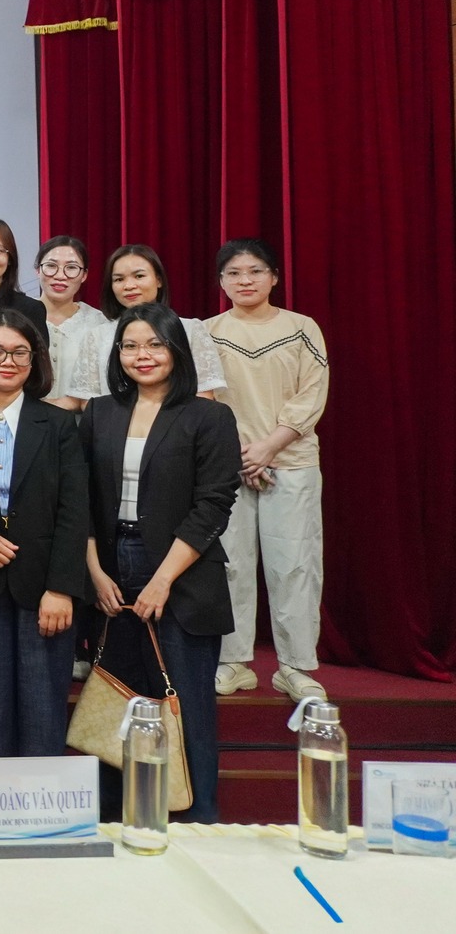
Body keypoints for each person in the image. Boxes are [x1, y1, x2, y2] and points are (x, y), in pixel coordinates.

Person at [80, 301, 241, 824]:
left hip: (182, 573)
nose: (141, 355)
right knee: (118, 701)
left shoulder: (209, 416)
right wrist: (95, 571)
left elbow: (213, 505)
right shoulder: (100, 412)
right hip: (111, 568)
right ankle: (117, 818)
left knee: (184, 704)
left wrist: (162, 579)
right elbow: (79, 499)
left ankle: (196, 821)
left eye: (154, 344)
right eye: (130, 346)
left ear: (176, 349)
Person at [0, 309, 90, 759]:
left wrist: (61, 588)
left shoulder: (59, 424)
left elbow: (74, 511)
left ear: (35, 359)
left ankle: (41, 803)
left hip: (44, 588)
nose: (7, 361)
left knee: (43, 710)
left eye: (19, 352)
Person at [207, 240, 330, 703]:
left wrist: (269, 447)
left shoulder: (302, 328)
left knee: (295, 565)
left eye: (255, 271)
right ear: (221, 281)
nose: (245, 280)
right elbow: (204, 398)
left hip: (292, 462)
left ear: (274, 277)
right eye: (234, 273)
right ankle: (233, 662)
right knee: (229, 564)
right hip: (229, 465)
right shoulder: (207, 332)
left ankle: (295, 667)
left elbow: (312, 394)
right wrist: (244, 453)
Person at [60, 245, 228, 410]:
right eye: (119, 279)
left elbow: (203, 394)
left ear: (159, 280)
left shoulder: (190, 329)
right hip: (114, 426)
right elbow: (89, 402)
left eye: (139, 276)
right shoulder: (97, 336)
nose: (129, 286)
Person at [34, 236, 100, 409]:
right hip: (23, 420)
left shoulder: (99, 323)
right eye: (51, 266)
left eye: (71, 268)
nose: (60, 276)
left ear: (84, 275)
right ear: (38, 270)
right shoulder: (18, 315)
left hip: (81, 422)